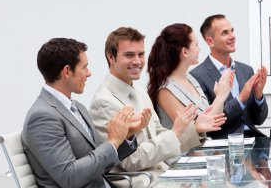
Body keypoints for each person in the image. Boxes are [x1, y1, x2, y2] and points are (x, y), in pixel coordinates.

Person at [89, 27, 226, 180]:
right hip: (147, 181)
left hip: (164, 174)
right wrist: (175, 133)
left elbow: (161, 134)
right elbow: (131, 161)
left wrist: (193, 129)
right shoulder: (104, 102)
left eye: (141, 54)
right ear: (110, 57)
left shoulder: (140, 93)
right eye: (129, 55)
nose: (137, 61)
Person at [22, 38, 146, 188]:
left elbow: (99, 157)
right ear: (67, 71)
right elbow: (69, 177)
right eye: (84, 67)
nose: (89, 73)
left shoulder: (77, 107)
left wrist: (123, 136)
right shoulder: (42, 117)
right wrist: (113, 141)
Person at [147, 23, 232, 150]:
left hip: (201, 154)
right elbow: (191, 131)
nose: (199, 49)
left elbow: (213, 122)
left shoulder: (190, 78)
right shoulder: (165, 91)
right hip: (181, 161)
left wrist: (220, 96)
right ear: (185, 52)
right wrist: (220, 97)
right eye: (196, 45)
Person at [190, 14, 269, 139]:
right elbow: (209, 124)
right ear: (210, 41)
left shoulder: (246, 70)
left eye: (232, 31)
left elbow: (259, 120)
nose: (232, 36)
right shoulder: (197, 76)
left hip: (254, 141)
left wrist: (258, 95)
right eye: (225, 33)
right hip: (223, 145)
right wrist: (241, 98)